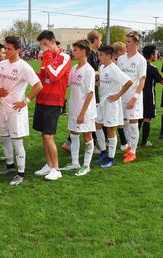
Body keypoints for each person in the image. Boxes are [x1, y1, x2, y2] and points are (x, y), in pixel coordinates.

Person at [0, 36, 43, 185]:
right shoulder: (2, 64)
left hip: (16, 110)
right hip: (3, 108)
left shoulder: (24, 66)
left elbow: (38, 86)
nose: (6, 51)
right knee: (4, 138)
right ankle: (9, 165)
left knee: (17, 142)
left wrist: (25, 101)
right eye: (5, 48)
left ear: (18, 50)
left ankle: (20, 173)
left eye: (9, 49)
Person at [32, 30, 71, 180]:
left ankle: (56, 169)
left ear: (53, 41)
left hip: (54, 101)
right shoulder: (46, 57)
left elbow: (54, 75)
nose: (43, 48)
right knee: (44, 135)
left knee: (49, 136)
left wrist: (47, 55)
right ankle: (48, 165)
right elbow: (43, 75)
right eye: (42, 45)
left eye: (45, 44)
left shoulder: (64, 56)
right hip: (42, 99)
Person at [61, 39, 96, 176]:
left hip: (85, 111)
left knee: (87, 136)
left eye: (75, 50)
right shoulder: (74, 69)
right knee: (74, 134)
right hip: (74, 109)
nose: (73, 52)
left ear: (83, 52)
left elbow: (90, 93)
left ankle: (86, 165)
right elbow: (67, 85)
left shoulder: (89, 70)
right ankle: (75, 162)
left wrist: (83, 113)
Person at [94, 45, 133, 167]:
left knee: (111, 130)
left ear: (109, 56)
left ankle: (111, 158)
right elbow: (103, 83)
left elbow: (128, 82)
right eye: (98, 54)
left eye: (101, 55)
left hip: (112, 104)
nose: (98, 57)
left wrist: (118, 95)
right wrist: (95, 82)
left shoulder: (114, 69)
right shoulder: (102, 67)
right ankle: (104, 152)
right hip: (102, 103)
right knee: (97, 125)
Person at [117, 31, 147, 163]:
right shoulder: (121, 58)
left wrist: (135, 97)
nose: (126, 44)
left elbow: (142, 81)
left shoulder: (141, 60)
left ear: (136, 43)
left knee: (133, 123)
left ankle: (133, 152)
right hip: (122, 96)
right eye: (126, 41)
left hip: (134, 97)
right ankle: (129, 146)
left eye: (129, 42)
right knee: (125, 123)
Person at [139, 45, 163, 146]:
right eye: (156, 53)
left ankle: (133, 141)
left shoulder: (140, 65)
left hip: (138, 94)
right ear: (151, 55)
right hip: (149, 96)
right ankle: (144, 142)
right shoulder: (152, 68)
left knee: (139, 118)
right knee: (147, 118)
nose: (157, 55)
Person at [113, 41, 128, 151]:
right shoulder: (116, 63)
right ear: (119, 52)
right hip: (118, 94)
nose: (126, 52)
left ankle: (122, 141)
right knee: (120, 119)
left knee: (120, 119)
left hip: (120, 93)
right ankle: (123, 142)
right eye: (125, 51)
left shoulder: (117, 62)